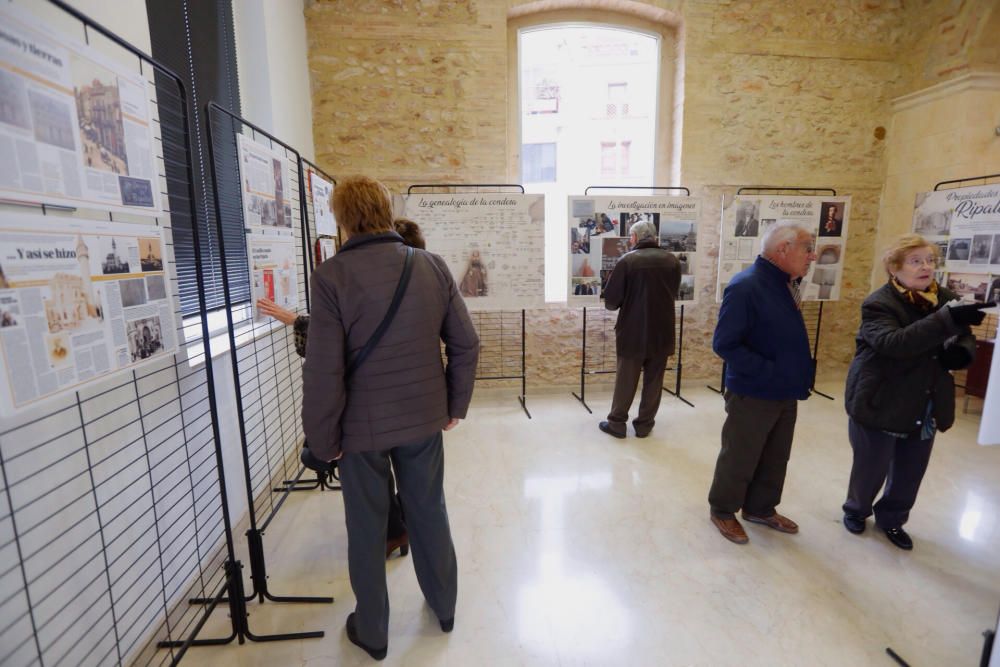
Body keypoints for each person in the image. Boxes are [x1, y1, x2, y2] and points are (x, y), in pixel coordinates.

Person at [301, 175, 479, 660]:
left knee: (366, 526)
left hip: (361, 431)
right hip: (423, 419)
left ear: (341, 218)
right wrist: (454, 405)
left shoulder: (332, 276)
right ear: (384, 210)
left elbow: (323, 370)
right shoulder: (431, 266)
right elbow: (466, 343)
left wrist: (322, 438)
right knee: (429, 511)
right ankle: (444, 609)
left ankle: (374, 633)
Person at [257, 217, 426, 561]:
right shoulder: (419, 278)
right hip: (413, 399)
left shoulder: (368, 278)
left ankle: (393, 532)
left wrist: (296, 321)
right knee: (406, 478)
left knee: (369, 472)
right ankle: (403, 529)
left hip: (371, 401)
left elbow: (346, 338)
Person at [841, 234, 991, 550]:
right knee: (871, 466)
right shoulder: (879, 303)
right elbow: (895, 344)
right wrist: (946, 320)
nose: (926, 267)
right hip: (881, 397)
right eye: (916, 261)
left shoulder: (944, 297)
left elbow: (963, 335)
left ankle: (892, 519)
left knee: (911, 470)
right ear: (895, 268)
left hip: (926, 398)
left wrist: (962, 351)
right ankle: (856, 510)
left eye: (930, 260)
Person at [708, 221, 817, 544]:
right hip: (754, 390)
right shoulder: (746, 286)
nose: (812, 256)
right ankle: (723, 510)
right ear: (783, 249)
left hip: (785, 389)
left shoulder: (784, 282)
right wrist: (769, 371)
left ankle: (760, 508)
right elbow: (725, 344)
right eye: (807, 249)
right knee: (740, 454)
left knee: (775, 455)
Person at [598, 221, 681, 439]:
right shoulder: (672, 261)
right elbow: (673, 292)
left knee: (626, 379)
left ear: (634, 237)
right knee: (654, 381)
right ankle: (644, 425)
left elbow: (612, 301)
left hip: (633, 331)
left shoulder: (628, 261)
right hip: (662, 330)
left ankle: (617, 423)